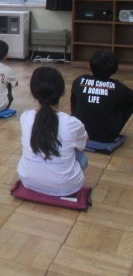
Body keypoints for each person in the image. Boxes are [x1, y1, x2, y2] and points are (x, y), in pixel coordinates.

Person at [17, 66, 88, 196]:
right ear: (62, 92)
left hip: (27, 180)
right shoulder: (72, 123)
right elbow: (83, 144)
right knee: (81, 155)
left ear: (33, 93)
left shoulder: (25, 117)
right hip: (66, 187)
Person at [71, 49, 133, 143]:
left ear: (89, 67)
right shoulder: (119, 88)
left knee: (76, 95)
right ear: (115, 69)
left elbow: (74, 103)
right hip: (106, 136)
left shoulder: (79, 81)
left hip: (79, 131)